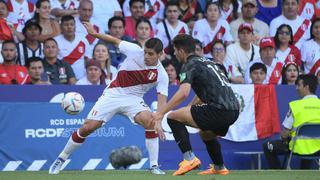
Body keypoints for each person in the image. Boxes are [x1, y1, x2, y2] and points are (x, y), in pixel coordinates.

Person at [49, 22, 169, 175]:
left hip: (134, 99)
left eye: (151, 54)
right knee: (87, 127)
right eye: (145, 52)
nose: (146, 56)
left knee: (150, 121)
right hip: (113, 93)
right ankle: (61, 159)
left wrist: (158, 120)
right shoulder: (134, 50)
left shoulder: (162, 75)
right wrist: (94, 34)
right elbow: (114, 40)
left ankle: (154, 166)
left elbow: (162, 99)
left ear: (160, 54)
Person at [152, 34, 239, 176]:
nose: (174, 54)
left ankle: (189, 159)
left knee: (173, 117)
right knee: (206, 133)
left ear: (181, 50)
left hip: (218, 110)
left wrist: (161, 113)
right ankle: (219, 167)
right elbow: (203, 93)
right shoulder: (208, 62)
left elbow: (183, 92)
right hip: (234, 110)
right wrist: (190, 108)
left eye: (175, 50)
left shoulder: (189, 64)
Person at [263, 74, 320, 169]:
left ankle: (278, 176)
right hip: (318, 148)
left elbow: (284, 134)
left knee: (267, 146)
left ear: (307, 87)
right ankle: (304, 173)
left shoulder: (295, 106)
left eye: (298, 85)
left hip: (298, 148)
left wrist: (286, 136)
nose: (296, 88)